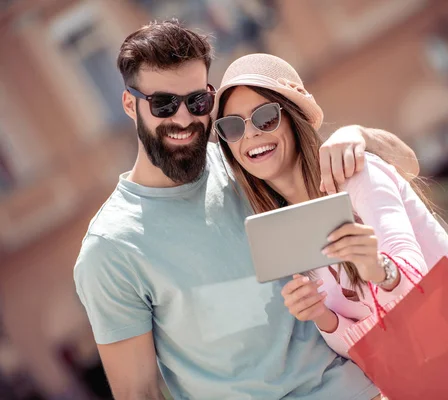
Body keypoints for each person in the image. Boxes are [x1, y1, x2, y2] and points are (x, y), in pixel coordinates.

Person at [73, 20, 420, 400]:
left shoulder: (245, 160)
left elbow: (405, 166)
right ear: (129, 104)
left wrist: (358, 135)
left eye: (198, 101)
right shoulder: (109, 250)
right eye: (163, 104)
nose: (184, 118)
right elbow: (138, 394)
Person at [212, 53, 448, 361]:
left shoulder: (358, 174)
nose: (250, 133)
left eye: (265, 117)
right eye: (232, 127)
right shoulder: (283, 234)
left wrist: (377, 269)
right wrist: (321, 318)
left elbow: (418, 282)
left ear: (293, 118)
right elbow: (360, 353)